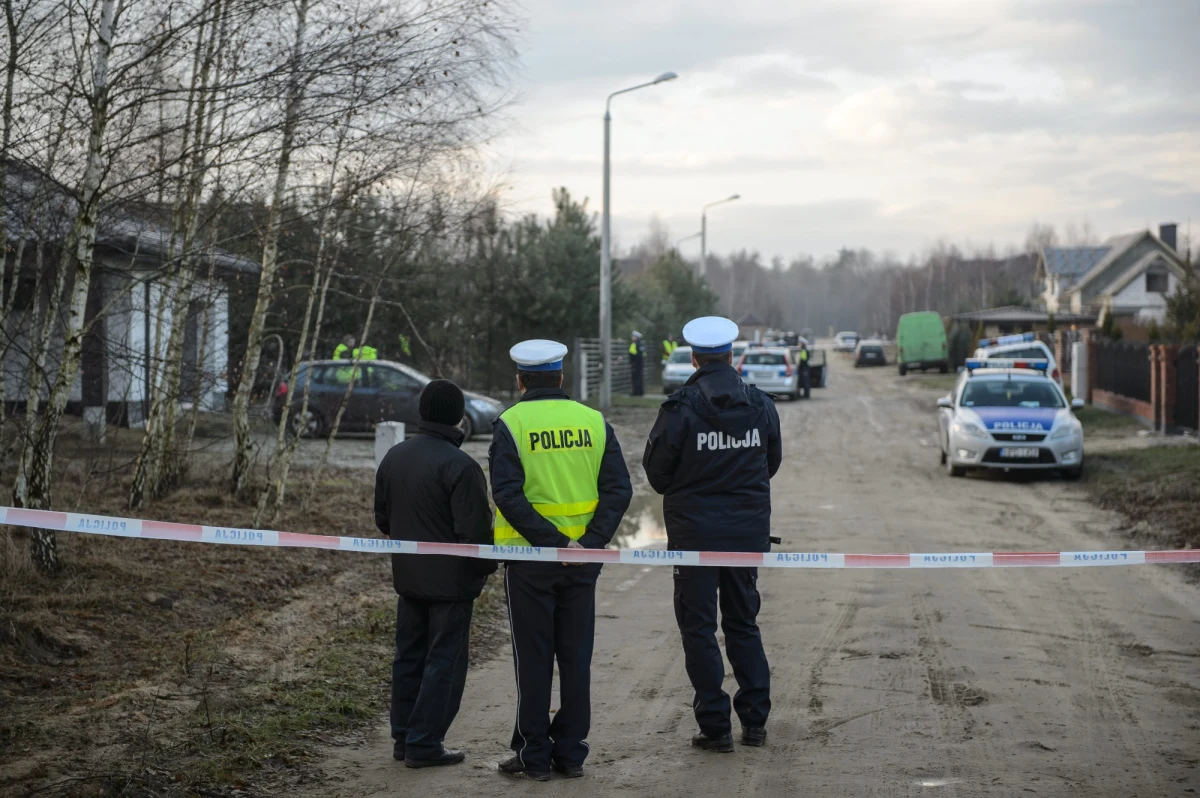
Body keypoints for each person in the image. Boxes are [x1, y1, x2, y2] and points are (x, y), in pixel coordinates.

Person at [490, 339, 632, 781]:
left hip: (530, 562)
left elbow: (507, 495)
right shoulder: (593, 422)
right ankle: (571, 754)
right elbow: (619, 489)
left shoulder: (510, 424)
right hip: (583, 562)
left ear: (520, 380)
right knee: (575, 658)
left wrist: (552, 543)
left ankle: (534, 756)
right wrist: (588, 543)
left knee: (532, 660)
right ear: (561, 377)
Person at [641, 316, 782, 753]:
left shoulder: (679, 409)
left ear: (695, 358)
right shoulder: (760, 404)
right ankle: (755, 723)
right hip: (745, 536)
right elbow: (770, 464)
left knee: (699, 629)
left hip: (694, 539)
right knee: (743, 623)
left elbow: (657, 475)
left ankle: (716, 727)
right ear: (732, 355)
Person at [374, 380, 496, 769]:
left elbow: (382, 520)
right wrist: (483, 571)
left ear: (422, 413)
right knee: (444, 661)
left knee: (408, 656)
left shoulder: (394, 457)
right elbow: (475, 533)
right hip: (452, 585)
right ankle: (425, 743)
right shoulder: (462, 466)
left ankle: (404, 737)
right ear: (459, 416)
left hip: (408, 579)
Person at [628, 331, 645, 396]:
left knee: (635, 378)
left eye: (633, 336)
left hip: (635, 364)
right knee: (640, 378)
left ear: (636, 337)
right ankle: (640, 392)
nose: (632, 337)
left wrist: (632, 363)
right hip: (640, 364)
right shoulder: (641, 345)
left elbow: (632, 354)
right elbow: (643, 354)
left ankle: (635, 392)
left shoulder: (634, 344)